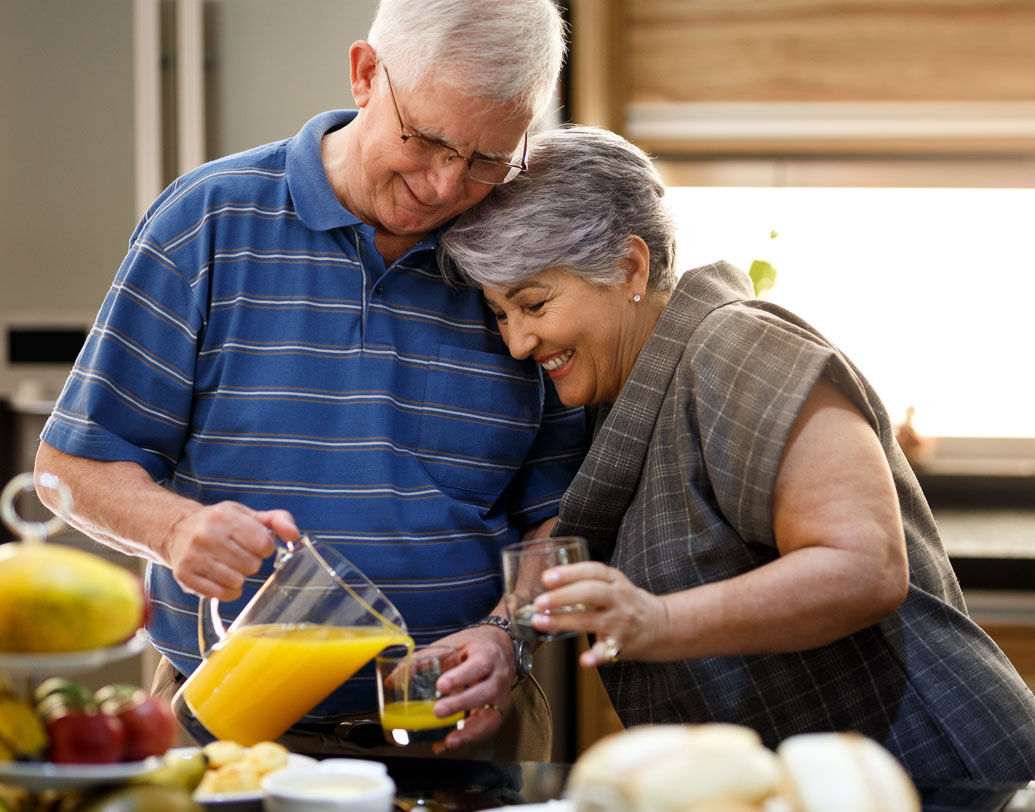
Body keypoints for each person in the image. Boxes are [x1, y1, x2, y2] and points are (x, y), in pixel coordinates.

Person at [33, 0, 585, 759]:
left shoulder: (523, 258)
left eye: (488, 159)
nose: (445, 186)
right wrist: (176, 529)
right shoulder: (207, 221)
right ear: (365, 75)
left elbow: (560, 516)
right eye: (426, 140)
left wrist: (507, 637)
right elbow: (71, 467)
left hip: (464, 733)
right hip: (225, 732)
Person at [436, 125, 1035, 780]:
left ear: (630, 267)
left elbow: (863, 567)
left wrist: (654, 620)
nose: (518, 341)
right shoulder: (618, 397)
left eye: (534, 303)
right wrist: (504, 637)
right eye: (500, 312)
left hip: (938, 776)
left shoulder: (739, 347)